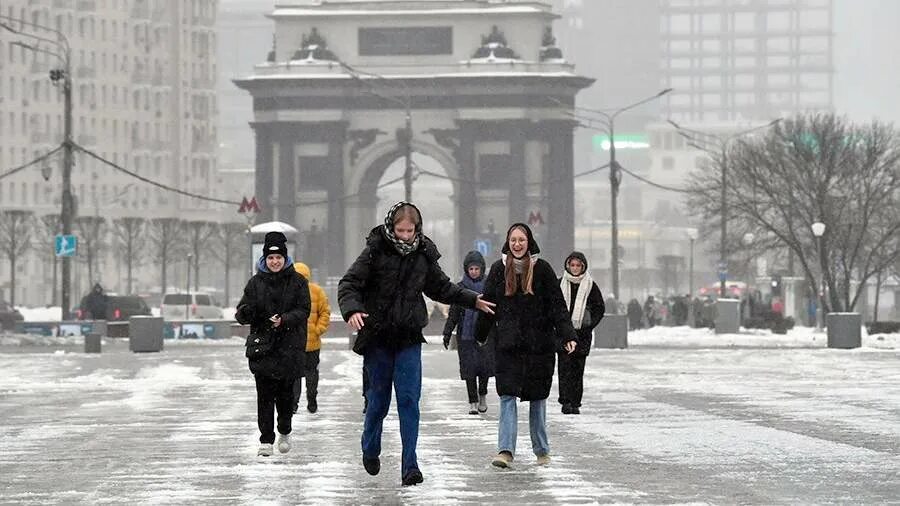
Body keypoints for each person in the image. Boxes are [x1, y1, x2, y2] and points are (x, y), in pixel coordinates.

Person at [338, 201, 496, 487]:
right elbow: (349, 283)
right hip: (378, 337)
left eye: (410, 230)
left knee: (409, 400)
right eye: (400, 230)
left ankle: (410, 465)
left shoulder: (423, 254)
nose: (405, 236)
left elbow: (442, 288)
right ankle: (370, 446)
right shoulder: (375, 250)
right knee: (378, 401)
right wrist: (351, 310)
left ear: (417, 229)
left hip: (409, 336)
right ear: (391, 227)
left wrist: (472, 300)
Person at [474, 223, 577, 469]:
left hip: (538, 345)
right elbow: (488, 304)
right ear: (507, 243)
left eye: (521, 240)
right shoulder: (499, 270)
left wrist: (567, 335)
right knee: (507, 396)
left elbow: (557, 307)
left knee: (538, 398)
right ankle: (505, 450)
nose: (517, 244)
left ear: (529, 242)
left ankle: (542, 451)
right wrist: (481, 333)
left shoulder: (543, 270)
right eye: (513, 240)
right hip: (508, 345)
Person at [236, 232, 310, 457]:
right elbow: (241, 313)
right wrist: (255, 313)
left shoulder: (298, 282)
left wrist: (284, 319)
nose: (275, 262)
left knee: (286, 396)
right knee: (265, 396)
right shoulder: (255, 283)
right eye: (270, 258)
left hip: (289, 347)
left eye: (278, 257)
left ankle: (284, 430)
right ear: (264, 260)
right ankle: (266, 439)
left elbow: (304, 310)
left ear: (285, 258)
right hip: (264, 349)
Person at [442, 250, 495, 415]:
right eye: (471, 269)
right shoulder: (460, 288)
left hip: (485, 334)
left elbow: (495, 310)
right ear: (466, 269)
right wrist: (447, 331)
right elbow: (454, 313)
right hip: (465, 335)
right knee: (469, 369)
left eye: (476, 269)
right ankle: (472, 400)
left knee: (484, 367)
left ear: (481, 269)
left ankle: (483, 395)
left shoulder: (489, 287)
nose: (474, 272)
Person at [557, 251, 605, 415]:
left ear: (583, 267)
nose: (575, 268)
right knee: (564, 369)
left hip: (582, 335)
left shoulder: (591, 286)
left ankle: (575, 402)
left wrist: (589, 323)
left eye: (578, 265)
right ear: (568, 266)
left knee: (577, 369)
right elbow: (552, 306)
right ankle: (565, 401)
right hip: (563, 334)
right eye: (572, 265)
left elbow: (600, 307)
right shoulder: (560, 283)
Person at [292, 262, 330, 414]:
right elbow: (325, 313)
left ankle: (297, 403)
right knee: (309, 373)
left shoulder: (315, 291)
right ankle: (309, 401)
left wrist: (317, 329)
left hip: (302, 343)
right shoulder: (316, 291)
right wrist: (318, 329)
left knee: (298, 375)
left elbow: (324, 313)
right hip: (300, 343)